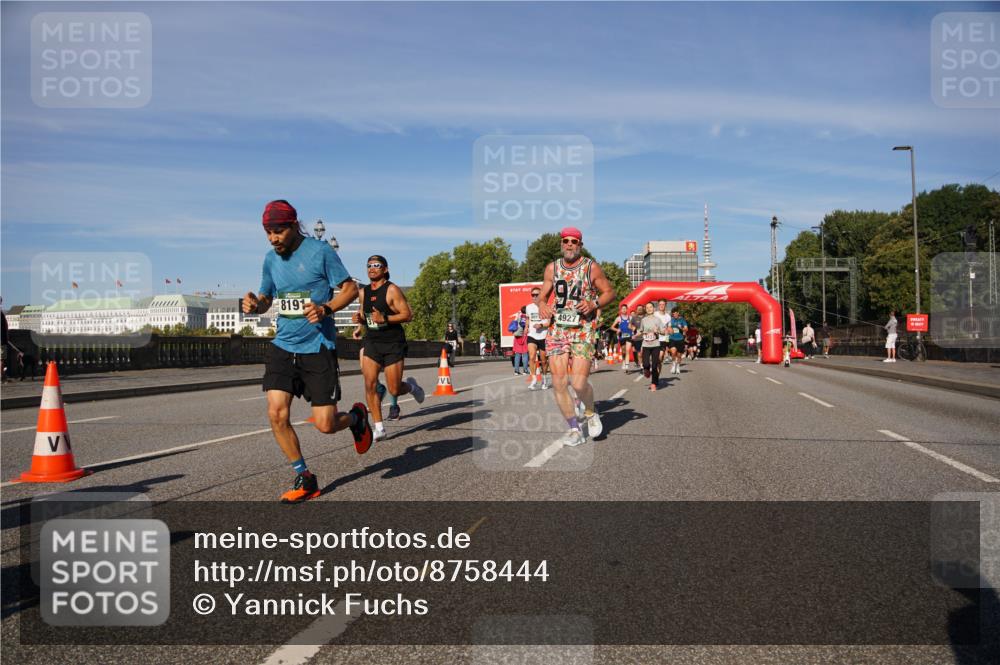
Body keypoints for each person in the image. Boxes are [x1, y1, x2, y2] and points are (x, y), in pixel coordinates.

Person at [243, 199, 372, 504]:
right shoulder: (270, 260)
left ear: (293, 226)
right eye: (268, 232)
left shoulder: (321, 252)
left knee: (326, 425)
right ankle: (305, 476)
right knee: (276, 413)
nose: (273, 238)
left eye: (278, 231)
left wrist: (326, 309)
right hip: (283, 346)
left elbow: (350, 289)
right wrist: (255, 305)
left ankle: (355, 418)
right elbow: (266, 297)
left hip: (317, 347)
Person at [537, 226, 616, 446]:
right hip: (558, 329)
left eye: (574, 241)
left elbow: (610, 292)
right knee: (559, 383)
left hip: (583, 329)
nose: (569, 244)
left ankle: (590, 412)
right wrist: (542, 304)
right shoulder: (552, 268)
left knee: (579, 383)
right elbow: (542, 295)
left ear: (580, 244)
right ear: (561, 244)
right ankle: (574, 429)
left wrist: (593, 303)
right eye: (566, 241)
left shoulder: (591, 267)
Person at [352, 255, 425, 442]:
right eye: (369, 265)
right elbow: (364, 313)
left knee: (394, 389)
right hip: (372, 342)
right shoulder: (363, 292)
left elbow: (407, 315)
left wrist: (386, 319)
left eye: (376, 265)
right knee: (370, 384)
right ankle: (379, 428)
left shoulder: (392, 290)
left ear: (385, 269)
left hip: (393, 343)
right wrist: (359, 323)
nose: (372, 268)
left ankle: (411, 386)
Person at [525, 287, 551, 389]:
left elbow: (548, 323)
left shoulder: (547, 308)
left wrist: (540, 325)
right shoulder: (528, 307)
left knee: (544, 360)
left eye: (537, 295)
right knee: (531, 357)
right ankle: (534, 379)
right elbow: (528, 318)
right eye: (533, 295)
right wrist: (526, 327)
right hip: (532, 335)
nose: (534, 296)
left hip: (543, 336)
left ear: (541, 296)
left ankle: (544, 379)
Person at [639, 302, 665, 391]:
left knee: (654, 365)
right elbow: (641, 331)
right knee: (646, 364)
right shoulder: (643, 320)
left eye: (651, 307)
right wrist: (635, 335)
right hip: (646, 344)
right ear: (645, 309)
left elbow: (663, 332)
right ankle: (646, 370)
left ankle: (654, 383)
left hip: (655, 345)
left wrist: (658, 330)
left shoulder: (658, 320)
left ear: (654, 309)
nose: (649, 309)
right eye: (647, 307)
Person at [611, 304, 633, 373]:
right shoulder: (618, 318)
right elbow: (612, 327)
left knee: (627, 350)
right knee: (623, 351)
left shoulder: (631, 318)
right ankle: (624, 361)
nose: (624, 310)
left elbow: (634, 326)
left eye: (625, 309)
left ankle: (627, 365)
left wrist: (633, 329)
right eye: (622, 309)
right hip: (622, 336)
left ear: (627, 310)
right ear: (620, 310)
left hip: (629, 336)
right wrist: (617, 330)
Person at [666, 308, 688, 375]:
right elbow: (668, 328)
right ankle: (673, 365)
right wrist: (669, 330)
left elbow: (686, 329)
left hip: (680, 339)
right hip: (672, 339)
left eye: (676, 313)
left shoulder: (682, 320)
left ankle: (678, 366)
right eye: (673, 313)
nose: (675, 314)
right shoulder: (671, 320)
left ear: (678, 313)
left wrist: (680, 328)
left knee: (679, 355)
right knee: (673, 352)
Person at [511, 307, 529, 375]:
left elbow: (513, 326)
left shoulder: (518, 317)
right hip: (524, 337)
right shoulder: (527, 317)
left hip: (517, 337)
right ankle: (525, 370)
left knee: (517, 355)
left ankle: (516, 371)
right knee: (525, 354)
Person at [654, 299, 670, 374]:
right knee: (655, 359)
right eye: (660, 304)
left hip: (663, 340)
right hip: (654, 339)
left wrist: (667, 341)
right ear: (658, 305)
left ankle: (657, 375)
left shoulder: (668, 317)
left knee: (660, 358)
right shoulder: (655, 314)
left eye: (663, 304)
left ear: (665, 305)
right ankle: (655, 372)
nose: (661, 306)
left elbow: (668, 329)